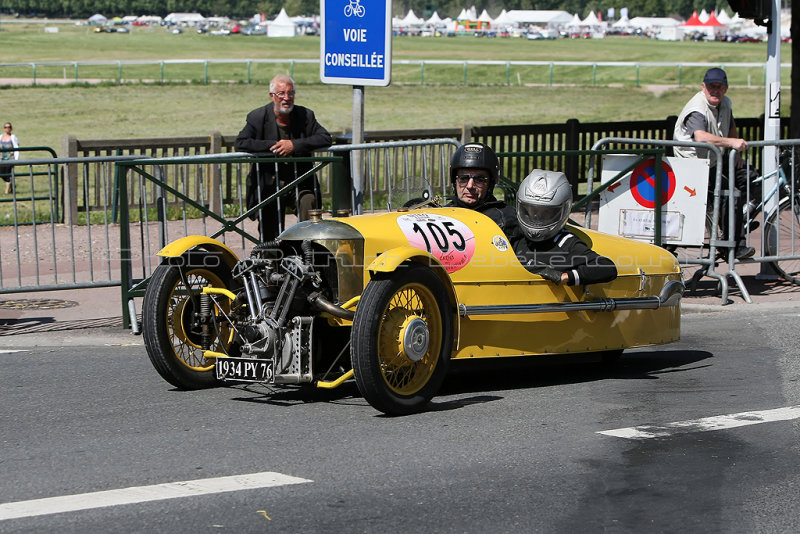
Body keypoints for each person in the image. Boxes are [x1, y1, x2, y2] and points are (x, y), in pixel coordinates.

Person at [235, 74, 332, 241]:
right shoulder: (257, 117)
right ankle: (270, 260)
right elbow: (241, 143)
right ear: (272, 96)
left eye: (290, 93)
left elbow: (325, 138)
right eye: (281, 93)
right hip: (269, 184)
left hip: (300, 182)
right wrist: (274, 146)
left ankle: (305, 253)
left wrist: (294, 145)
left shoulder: (306, 115)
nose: (286, 98)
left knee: (308, 202)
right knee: (269, 224)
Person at [673, 67, 756, 260]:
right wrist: (732, 143)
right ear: (703, 87)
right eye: (711, 87)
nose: (715, 91)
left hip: (711, 162)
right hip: (691, 164)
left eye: (719, 87)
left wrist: (735, 156)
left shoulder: (725, 103)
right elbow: (701, 137)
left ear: (726, 88)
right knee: (730, 194)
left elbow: (731, 125)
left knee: (751, 176)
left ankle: (736, 221)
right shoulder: (697, 108)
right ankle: (732, 245)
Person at [513, 169, 617, 286]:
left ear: (564, 210)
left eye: (546, 212)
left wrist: (566, 276)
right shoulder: (516, 235)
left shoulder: (566, 243)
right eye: (533, 210)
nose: (538, 217)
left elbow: (608, 268)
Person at [446, 142, 521, 244]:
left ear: (490, 183)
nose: (470, 186)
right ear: (455, 182)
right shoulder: (443, 213)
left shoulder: (506, 218)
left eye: (479, 180)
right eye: (463, 178)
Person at [1, 122, 20, 195]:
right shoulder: (1, 137)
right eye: (5, 127)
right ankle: (11, 185)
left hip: (10, 159)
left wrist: (16, 159)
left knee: (8, 174)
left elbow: (16, 147)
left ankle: (6, 192)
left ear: (11, 128)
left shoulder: (13, 137)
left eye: (9, 127)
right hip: (2, 159)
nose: (7, 128)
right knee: (2, 173)